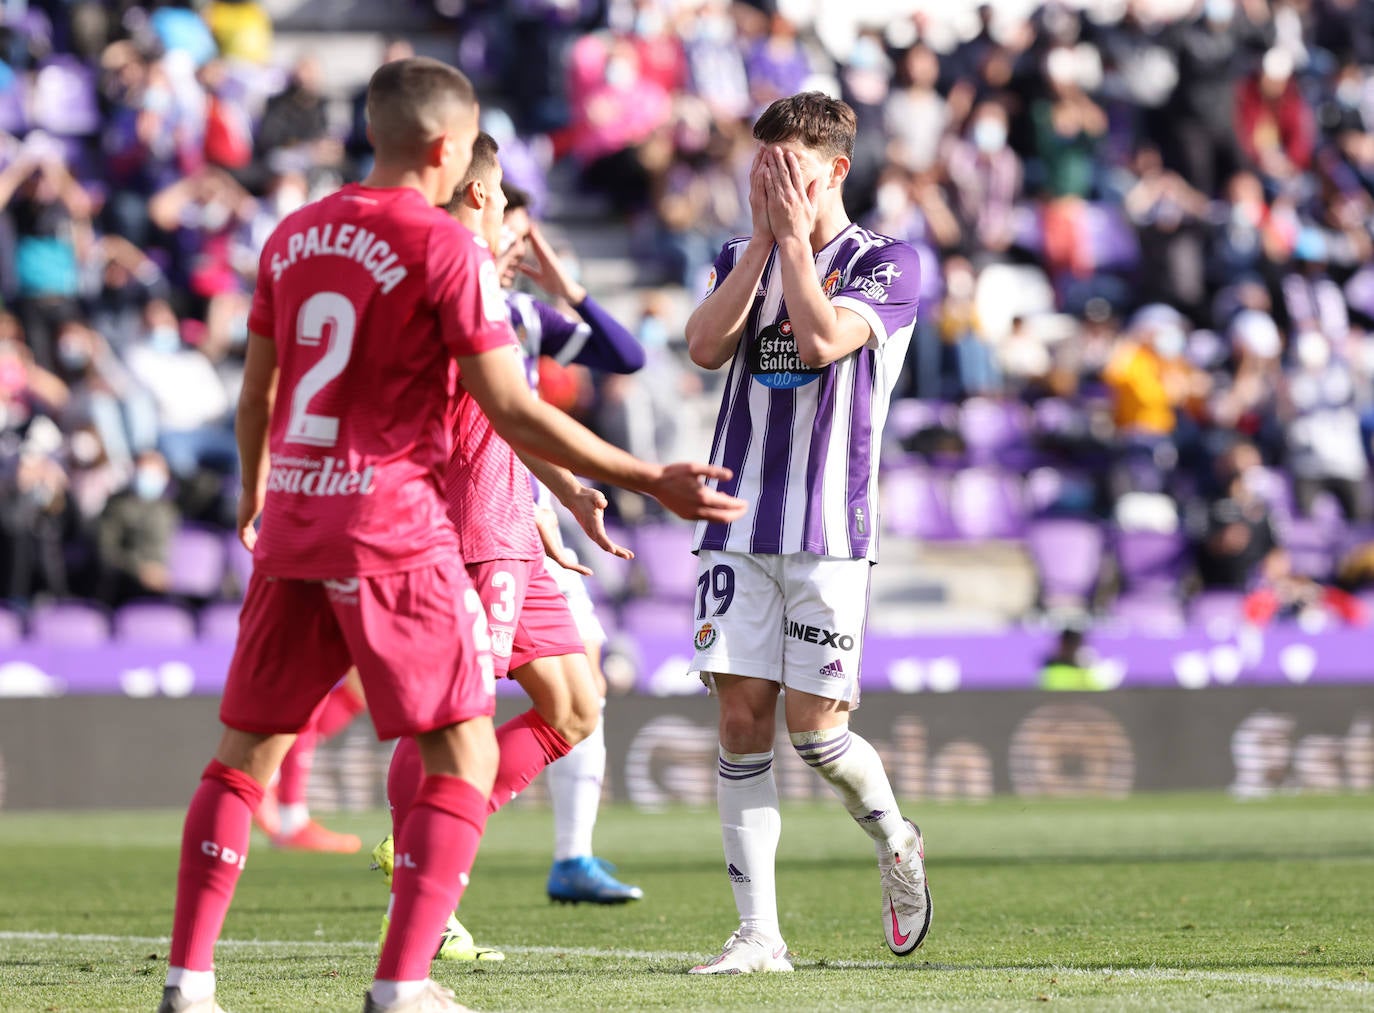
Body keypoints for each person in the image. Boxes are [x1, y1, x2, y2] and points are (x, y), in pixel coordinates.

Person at [159, 56, 744, 1013]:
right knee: (462, 757)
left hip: (296, 522)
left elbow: (258, 388)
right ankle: (403, 983)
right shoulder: (445, 252)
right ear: (447, 150)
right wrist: (642, 477)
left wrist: (255, 493)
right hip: (394, 531)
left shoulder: (295, 236)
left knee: (240, 757)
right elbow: (513, 406)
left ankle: (189, 982)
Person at [372, 133, 644, 966]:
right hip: (468, 533)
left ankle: (427, 842)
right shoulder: (451, 276)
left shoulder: (492, 289)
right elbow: (498, 408)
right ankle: (425, 880)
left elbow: (512, 407)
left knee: (575, 704)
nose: (523, 234)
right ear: (484, 199)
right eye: (512, 212)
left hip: (513, 527)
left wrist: (558, 492)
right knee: (454, 727)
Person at [682, 92, 930, 975]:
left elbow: (822, 341)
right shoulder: (735, 256)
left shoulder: (888, 263)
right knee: (740, 719)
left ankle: (897, 837)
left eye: (787, 165)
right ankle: (760, 935)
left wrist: (791, 243)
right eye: (761, 164)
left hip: (828, 530)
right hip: (736, 522)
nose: (770, 178)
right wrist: (761, 242)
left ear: (834, 169)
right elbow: (704, 347)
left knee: (816, 733)